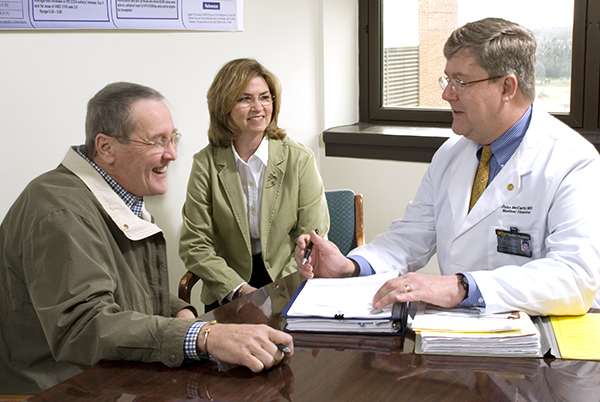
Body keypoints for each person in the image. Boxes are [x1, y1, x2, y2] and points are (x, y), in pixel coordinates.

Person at [0, 82, 293, 395]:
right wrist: (203, 336)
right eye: (158, 141)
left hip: (104, 377)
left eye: (173, 138)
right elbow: (83, 327)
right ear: (106, 148)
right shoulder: (60, 213)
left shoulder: (111, 195)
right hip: (57, 389)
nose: (172, 154)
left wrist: (177, 310)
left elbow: (118, 288)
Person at [296, 18, 600, 316]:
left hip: (539, 345)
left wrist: (461, 287)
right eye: (447, 80)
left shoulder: (573, 162)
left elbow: (575, 274)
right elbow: (410, 237)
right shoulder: (452, 154)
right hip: (456, 335)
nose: (446, 94)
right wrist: (351, 266)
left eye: (460, 82)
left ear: (507, 87)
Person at [179, 58, 329, 312]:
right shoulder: (205, 163)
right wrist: (239, 290)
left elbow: (312, 236)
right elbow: (194, 244)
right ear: (224, 106)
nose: (258, 107)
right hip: (227, 283)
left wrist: (280, 290)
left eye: (265, 97)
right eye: (245, 99)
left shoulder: (299, 159)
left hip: (287, 276)